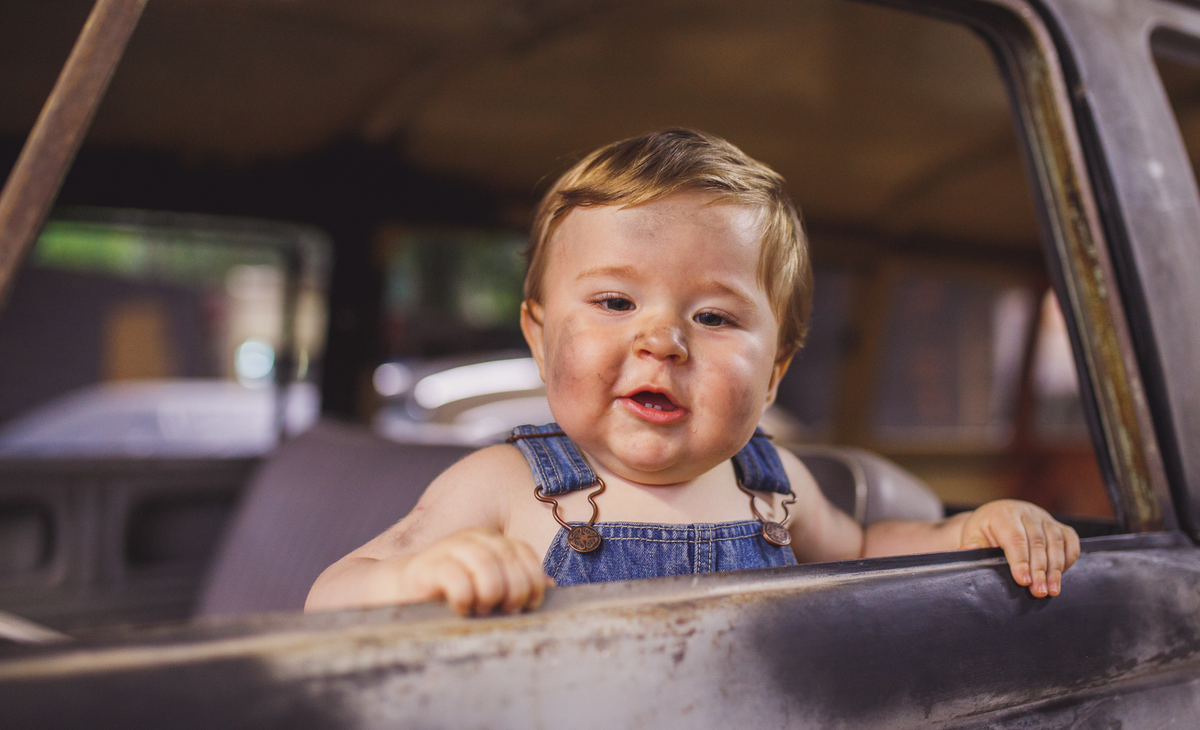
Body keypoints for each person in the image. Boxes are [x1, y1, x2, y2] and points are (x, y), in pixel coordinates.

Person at [306, 129, 1081, 616]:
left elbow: (865, 549)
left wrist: (967, 531)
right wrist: (423, 577)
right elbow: (330, 594)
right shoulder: (501, 485)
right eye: (615, 300)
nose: (663, 341)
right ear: (539, 340)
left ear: (775, 372)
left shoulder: (772, 486)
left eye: (714, 318)